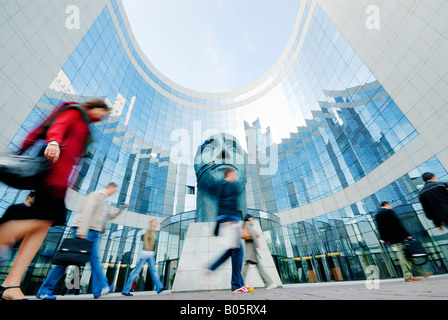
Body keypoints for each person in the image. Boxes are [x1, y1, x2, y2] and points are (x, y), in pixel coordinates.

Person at [0, 99, 110, 300]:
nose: (102, 116)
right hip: (51, 175)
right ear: (94, 106)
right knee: (40, 220)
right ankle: (9, 277)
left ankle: (11, 284)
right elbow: (59, 125)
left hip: (59, 182)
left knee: (43, 225)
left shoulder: (86, 126)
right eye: (102, 112)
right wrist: (53, 142)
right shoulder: (76, 112)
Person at [36, 183, 121, 300]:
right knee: (65, 262)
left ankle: (100, 288)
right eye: (114, 190)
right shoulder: (95, 195)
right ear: (110, 187)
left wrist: (115, 214)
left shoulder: (105, 201)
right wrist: (82, 230)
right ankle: (44, 291)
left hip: (94, 232)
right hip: (86, 231)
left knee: (94, 261)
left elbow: (104, 217)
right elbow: (87, 211)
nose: (114, 193)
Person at [208, 167, 254, 293]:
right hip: (229, 220)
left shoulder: (224, 185)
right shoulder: (227, 185)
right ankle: (237, 285)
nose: (235, 177)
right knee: (237, 251)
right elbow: (227, 203)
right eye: (234, 174)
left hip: (228, 219)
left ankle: (213, 268)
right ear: (229, 174)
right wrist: (230, 220)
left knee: (233, 250)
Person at [375, 201, 431, 282]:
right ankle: (408, 276)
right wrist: (406, 235)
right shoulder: (389, 211)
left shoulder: (378, 215)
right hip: (399, 236)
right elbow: (397, 224)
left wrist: (385, 239)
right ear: (386, 204)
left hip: (392, 238)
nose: (391, 206)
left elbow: (380, 228)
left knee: (409, 254)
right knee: (404, 256)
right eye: (390, 205)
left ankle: (422, 272)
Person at [122, 219, 165, 296]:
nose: (156, 223)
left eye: (156, 222)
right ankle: (125, 290)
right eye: (154, 222)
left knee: (153, 271)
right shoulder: (149, 230)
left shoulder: (153, 231)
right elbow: (145, 240)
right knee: (136, 272)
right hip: (146, 253)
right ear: (151, 223)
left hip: (150, 253)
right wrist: (148, 249)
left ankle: (159, 287)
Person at [241, 214, 276, 290]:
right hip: (251, 250)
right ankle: (269, 283)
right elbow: (252, 234)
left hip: (251, 250)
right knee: (252, 267)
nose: (252, 219)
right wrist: (257, 243)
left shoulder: (245, 225)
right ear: (249, 218)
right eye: (251, 218)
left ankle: (268, 283)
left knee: (253, 267)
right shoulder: (247, 224)